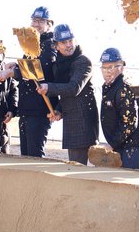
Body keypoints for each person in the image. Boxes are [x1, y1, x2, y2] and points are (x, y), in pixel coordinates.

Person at [0, 6, 58, 157]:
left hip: (40, 109)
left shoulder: (50, 45)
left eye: (40, 21)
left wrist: (12, 72)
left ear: (49, 24)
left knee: (34, 154)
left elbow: (39, 70)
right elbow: (28, 65)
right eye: (34, 20)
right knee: (25, 154)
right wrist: (15, 65)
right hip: (27, 108)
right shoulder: (32, 44)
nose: (36, 24)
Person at [37, 24, 98, 164]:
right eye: (64, 42)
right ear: (56, 45)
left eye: (70, 41)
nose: (68, 45)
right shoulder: (60, 64)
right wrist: (59, 110)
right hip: (71, 123)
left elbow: (73, 88)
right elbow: (66, 95)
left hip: (83, 124)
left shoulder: (83, 62)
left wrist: (48, 87)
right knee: (74, 165)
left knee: (78, 169)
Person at [98, 47, 139, 170]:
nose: (107, 71)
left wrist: (112, 144)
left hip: (131, 147)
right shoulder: (109, 87)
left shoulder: (124, 88)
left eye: (111, 67)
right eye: (104, 67)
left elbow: (129, 124)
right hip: (120, 144)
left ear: (121, 67)